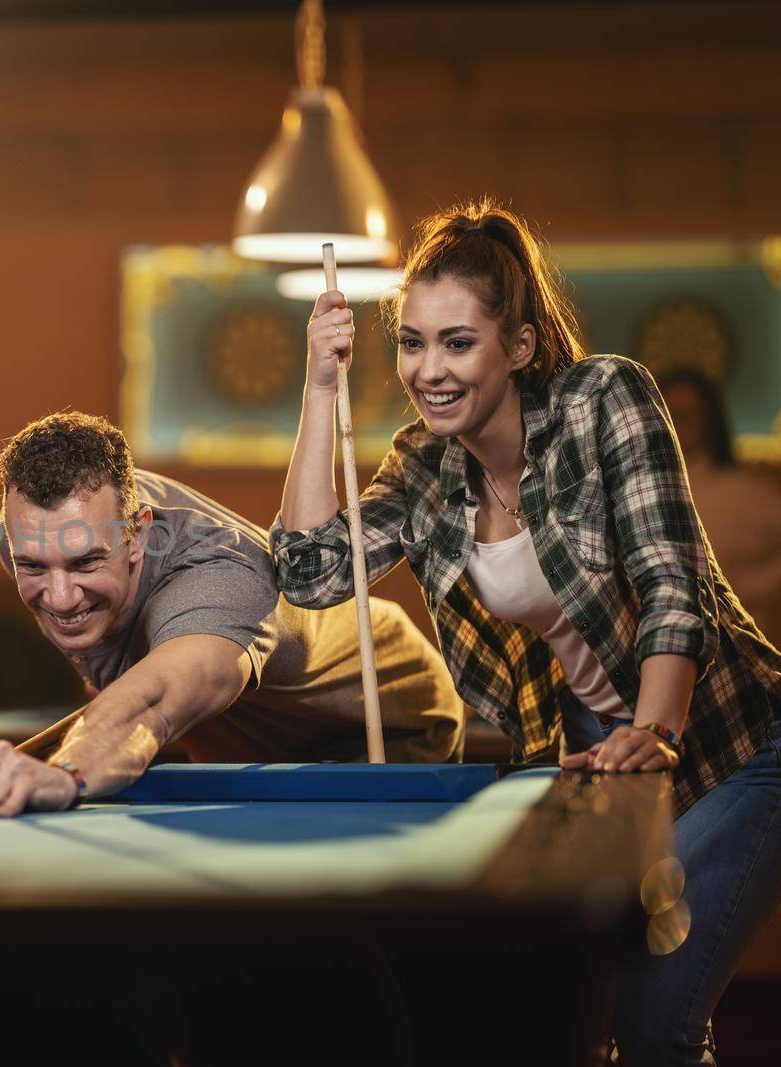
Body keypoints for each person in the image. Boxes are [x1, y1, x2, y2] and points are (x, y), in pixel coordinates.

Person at [273, 200, 781, 1064]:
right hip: (591, 753)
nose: (428, 368)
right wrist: (320, 390)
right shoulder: (424, 466)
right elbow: (309, 572)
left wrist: (651, 730)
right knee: (580, 1013)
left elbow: (671, 584)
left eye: (457, 342)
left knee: (655, 1012)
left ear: (520, 345)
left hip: (734, 741)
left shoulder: (604, 398)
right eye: (411, 341)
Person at [0, 411, 464, 815]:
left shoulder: (219, 578)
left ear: (138, 534)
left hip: (380, 721)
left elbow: (152, 705)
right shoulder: (44, 530)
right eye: (34, 566)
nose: (59, 597)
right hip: (240, 737)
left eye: (86, 562)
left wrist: (69, 774)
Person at [661, 369, 781, 642]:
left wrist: (749, 587)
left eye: (686, 416)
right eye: (669, 414)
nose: (676, 425)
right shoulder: (633, 486)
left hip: (735, 642)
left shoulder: (744, 490)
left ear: (709, 420)